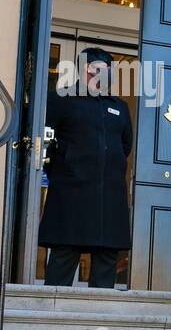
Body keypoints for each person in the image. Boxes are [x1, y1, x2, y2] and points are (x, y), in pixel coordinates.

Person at [38, 47, 132, 288]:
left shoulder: (119, 107)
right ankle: (51, 311)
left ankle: (100, 315)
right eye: (101, 68)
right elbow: (41, 138)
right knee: (65, 251)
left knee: (107, 254)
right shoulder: (60, 98)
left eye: (110, 70)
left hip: (109, 193)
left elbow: (125, 145)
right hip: (71, 189)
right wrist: (62, 165)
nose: (107, 74)